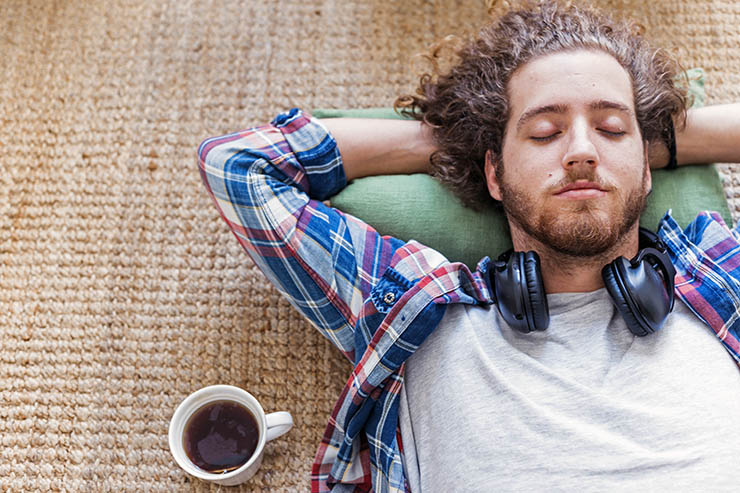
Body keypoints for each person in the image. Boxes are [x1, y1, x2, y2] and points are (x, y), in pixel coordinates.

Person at [198, 1, 740, 491]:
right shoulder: (414, 302)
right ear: (495, 175)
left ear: (648, 168)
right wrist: (464, 138)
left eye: (612, 129)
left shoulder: (721, 273)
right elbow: (239, 166)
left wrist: (660, 137)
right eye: (545, 132)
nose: (581, 151)